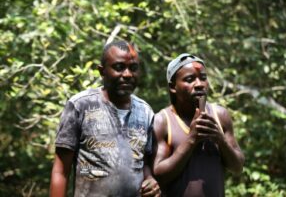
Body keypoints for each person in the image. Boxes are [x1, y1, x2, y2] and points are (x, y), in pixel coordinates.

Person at [50, 40, 160, 197]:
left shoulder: (146, 112)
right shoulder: (80, 106)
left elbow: (144, 163)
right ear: (102, 71)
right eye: (119, 67)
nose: (128, 74)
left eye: (133, 68)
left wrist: (150, 179)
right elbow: (60, 171)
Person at [152, 53, 245, 197]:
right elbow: (159, 175)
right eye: (189, 79)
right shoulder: (163, 121)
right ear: (173, 87)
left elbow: (237, 167)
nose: (199, 84)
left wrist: (220, 139)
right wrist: (191, 139)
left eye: (203, 78)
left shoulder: (220, 115)